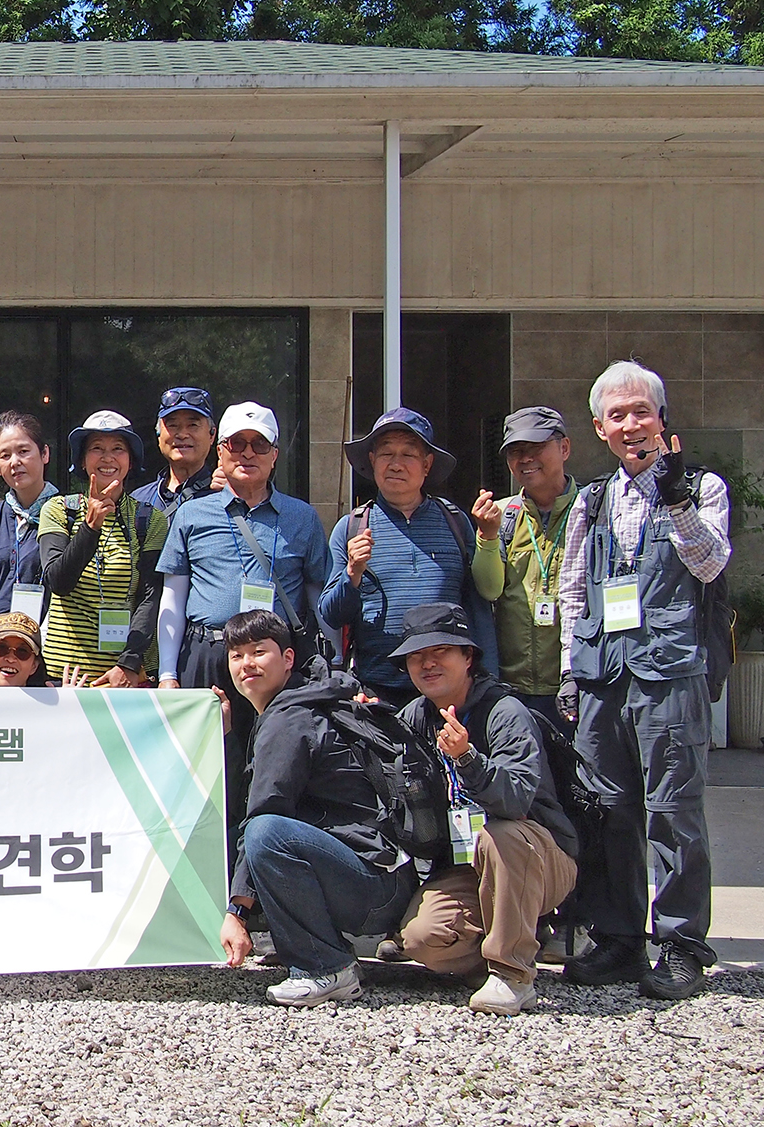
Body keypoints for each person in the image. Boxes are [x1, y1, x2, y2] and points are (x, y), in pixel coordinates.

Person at [558, 361, 730, 1001]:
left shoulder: (701, 487)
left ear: (662, 419)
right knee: (609, 812)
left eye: (643, 412)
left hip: (668, 672)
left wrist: (679, 502)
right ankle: (620, 937)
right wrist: (573, 674)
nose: (632, 425)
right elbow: (574, 591)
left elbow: (710, 564)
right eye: (618, 415)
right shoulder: (592, 500)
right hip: (605, 675)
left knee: (675, 811)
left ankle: (682, 943)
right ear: (600, 427)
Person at [157, 403, 332, 869]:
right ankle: (205, 883)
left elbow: (320, 602)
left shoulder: (302, 518)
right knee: (205, 775)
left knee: (276, 773)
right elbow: (172, 598)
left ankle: (262, 886)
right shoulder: (191, 516)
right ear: (221, 451)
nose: (247, 453)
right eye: (237, 443)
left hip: (277, 664)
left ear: (275, 455)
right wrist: (169, 673)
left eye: (260, 444)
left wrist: (332, 667)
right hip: (208, 655)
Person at [381, 603, 579, 1015]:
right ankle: (500, 948)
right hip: (465, 864)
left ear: (468, 657)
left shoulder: (505, 713)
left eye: (441, 652)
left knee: (501, 833)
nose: (427, 664)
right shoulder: (415, 717)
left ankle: (512, 974)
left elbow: (517, 800)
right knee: (422, 940)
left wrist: (467, 758)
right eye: (416, 656)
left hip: (536, 856)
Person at [214, 609, 418, 1008]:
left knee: (265, 835)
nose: (246, 664)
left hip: (374, 886)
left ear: (288, 658)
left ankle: (324, 967)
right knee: (267, 831)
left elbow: (262, 815)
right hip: (384, 879)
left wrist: (237, 911)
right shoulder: (302, 701)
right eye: (236, 656)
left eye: (259, 652)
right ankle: (325, 950)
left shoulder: (290, 717)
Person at [319, 407, 501, 705]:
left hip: (449, 690)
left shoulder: (454, 521)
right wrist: (352, 573)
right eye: (387, 454)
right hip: (379, 689)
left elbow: (479, 600)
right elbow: (331, 615)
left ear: (427, 465)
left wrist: (487, 677)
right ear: (372, 461)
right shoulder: (352, 527)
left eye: (408, 455)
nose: (396, 464)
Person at [37, 411, 167, 686]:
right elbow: (58, 581)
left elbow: (149, 597)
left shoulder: (149, 520)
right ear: (83, 462)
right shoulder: (59, 509)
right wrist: (90, 528)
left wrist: (129, 663)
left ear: (131, 461)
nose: (107, 458)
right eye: (97, 448)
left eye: (118, 449)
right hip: (63, 676)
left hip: (125, 677)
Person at [474, 406, 580, 731]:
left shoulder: (592, 511)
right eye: (516, 452)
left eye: (536, 448)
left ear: (564, 449)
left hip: (576, 687)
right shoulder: (502, 515)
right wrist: (487, 537)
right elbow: (489, 590)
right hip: (513, 688)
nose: (525, 459)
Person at [0, 411, 58, 619]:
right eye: (5, 455)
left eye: (23, 451)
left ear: (44, 453)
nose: (14, 462)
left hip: (48, 643)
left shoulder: (66, 513)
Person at [132, 386, 221, 516]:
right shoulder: (137, 501)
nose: (182, 434)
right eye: (172, 425)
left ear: (212, 434)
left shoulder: (226, 498)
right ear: (158, 434)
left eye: (193, 425)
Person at [0, 611, 93, 688]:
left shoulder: (57, 700)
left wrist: (72, 708)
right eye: (1, 648)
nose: (10, 658)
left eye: (22, 652)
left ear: (34, 665)